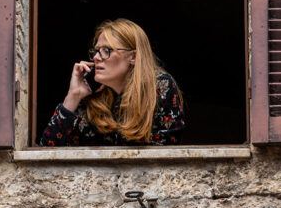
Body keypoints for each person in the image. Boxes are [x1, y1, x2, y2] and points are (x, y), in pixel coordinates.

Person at [39, 18, 184, 146]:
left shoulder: (160, 87)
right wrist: (73, 96)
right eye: (96, 51)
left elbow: (166, 157)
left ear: (133, 57)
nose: (96, 57)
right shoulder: (93, 103)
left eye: (106, 50)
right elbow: (46, 152)